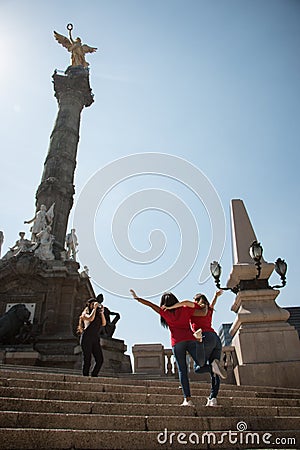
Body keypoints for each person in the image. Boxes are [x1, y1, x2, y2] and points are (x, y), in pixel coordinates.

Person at [129, 289, 207, 406]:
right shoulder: (185, 309)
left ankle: (188, 399)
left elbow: (150, 305)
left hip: (177, 342)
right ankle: (209, 362)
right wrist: (203, 304)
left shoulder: (164, 312)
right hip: (190, 339)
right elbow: (202, 312)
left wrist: (137, 298)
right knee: (200, 362)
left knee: (182, 370)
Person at [163, 290, 227, 407]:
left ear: (197, 301)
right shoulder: (207, 309)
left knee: (199, 367)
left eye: (195, 300)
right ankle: (213, 398)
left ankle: (212, 370)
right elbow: (212, 304)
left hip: (205, 337)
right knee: (215, 368)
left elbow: (186, 303)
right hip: (215, 339)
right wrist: (216, 296)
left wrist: (172, 306)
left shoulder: (195, 309)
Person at [77, 298, 106, 377]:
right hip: (87, 337)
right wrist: (95, 308)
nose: (94, 305)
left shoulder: (98, 314)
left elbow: (104, 323)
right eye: (92, 304)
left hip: (95, 338)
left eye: (95, 304)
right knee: (87, 359)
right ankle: (85, 376)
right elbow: (90, 318)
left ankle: (94, 374)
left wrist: (102, 313)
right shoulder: (85, 314)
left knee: (100, 359)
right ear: (89, 305)